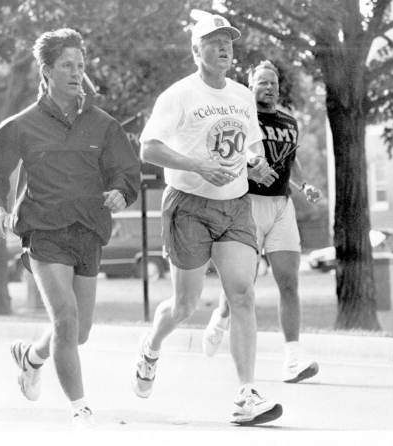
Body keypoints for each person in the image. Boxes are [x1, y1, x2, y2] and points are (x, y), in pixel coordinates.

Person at [0, 28, 140, 427]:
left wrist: (121, 193)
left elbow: (125, 171)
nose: (76, 72)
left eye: (80, 65)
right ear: (46, 71)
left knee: (78, 332)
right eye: (67, 65)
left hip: (88, 232)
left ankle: (31, 356)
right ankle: (80, 409)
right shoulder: (24, 124)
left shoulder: (103, 125)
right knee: (65, 318)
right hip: (45, 232)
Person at [134, 12, 283, 426]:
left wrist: (256, 164)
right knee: (185, 305)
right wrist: (197, 165)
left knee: (243, 295)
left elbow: (251, 147)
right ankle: (151, 347)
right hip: (189, 204)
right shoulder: (178, 95)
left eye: (229, 43)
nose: (224, 49)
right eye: (214, 42)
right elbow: (149, 148)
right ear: (196, 50)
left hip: (234, 205)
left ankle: (246, 393)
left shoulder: (240, 96)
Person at [202, 60, 322, 384]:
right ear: (251, 84)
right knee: (244, 282)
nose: (268, 87)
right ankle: (220, 317)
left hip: (282, 206)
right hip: (248, 204)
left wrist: (304, 185)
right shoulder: (241, 117)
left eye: (273, 82)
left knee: (289, 282)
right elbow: (226, 154)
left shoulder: (289, 122)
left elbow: (290, 164)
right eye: (262, 82)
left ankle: (293, 361)